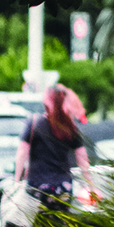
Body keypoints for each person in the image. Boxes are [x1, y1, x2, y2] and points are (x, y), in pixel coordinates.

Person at [14, 84, 93, 213]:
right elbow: (83, 160)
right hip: (62, 187)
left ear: (47, 100)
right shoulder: (70, 127)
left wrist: (16, 181)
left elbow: (22, 152)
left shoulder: (34, 123)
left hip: (37, 186)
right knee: (58, 226)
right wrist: (90, 186)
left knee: (36, 226)